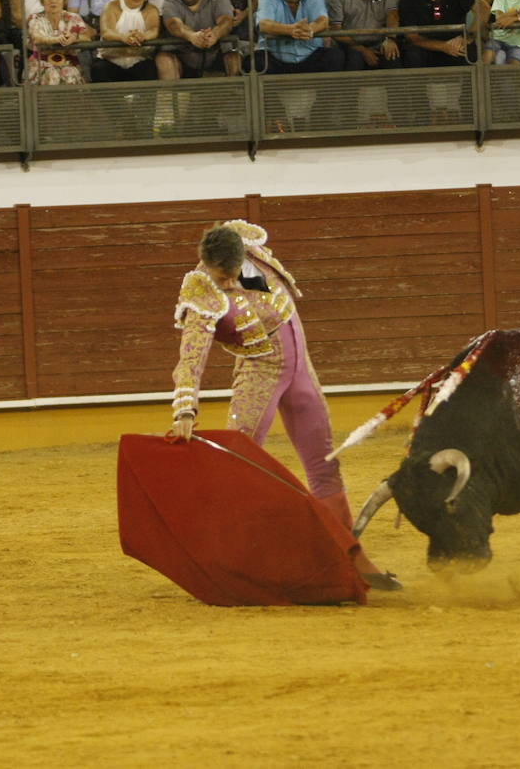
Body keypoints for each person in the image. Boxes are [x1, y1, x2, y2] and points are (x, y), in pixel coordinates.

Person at [168, 221, 400, 591]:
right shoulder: (201, 289)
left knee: (325, 465)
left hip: (300, 368)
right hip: (260, 373)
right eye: (219, 277)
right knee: (236, 467)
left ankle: (349, 559)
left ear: (241, 259)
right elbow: (191, 354)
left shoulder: (249, 252)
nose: (226, 284)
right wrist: (184, 409)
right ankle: (228, 561)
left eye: (230, 275)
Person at [256, 0, 341, 72]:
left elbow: (323, 20)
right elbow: (264, 24)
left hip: (310, 55)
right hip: (275, 57)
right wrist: (290, 30)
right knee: (255, 61)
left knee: (335, 56)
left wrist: (310, 29)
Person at [158, 0, 240, 77]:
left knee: (233, 54)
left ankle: (236, 92)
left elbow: (226, 21)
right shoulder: (170, 2)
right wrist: (192, 36)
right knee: (163, 59)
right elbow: (174, 25)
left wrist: (215, 34)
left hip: (216, 51)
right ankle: (169, 94)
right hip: (183, 55)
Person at [96, 0, 161, 81]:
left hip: (140, 61)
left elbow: (154, 30)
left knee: (149, 71)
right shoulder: (111, 7)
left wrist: (143, 36)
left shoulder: (151, 9)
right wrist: (123, 37)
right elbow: (106, 31)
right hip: (111, 61)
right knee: (99, 69)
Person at [25, 0, 94, 83]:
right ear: (42, 0)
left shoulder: (73, 17)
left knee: (70, 73)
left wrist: (74, 38)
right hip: (41, 64)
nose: (53, 1)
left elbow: (87, 37)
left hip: (69, 63)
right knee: (52, 75)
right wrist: (57, 39)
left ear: (64, 0)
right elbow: (37, 38)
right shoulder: (34, 18)